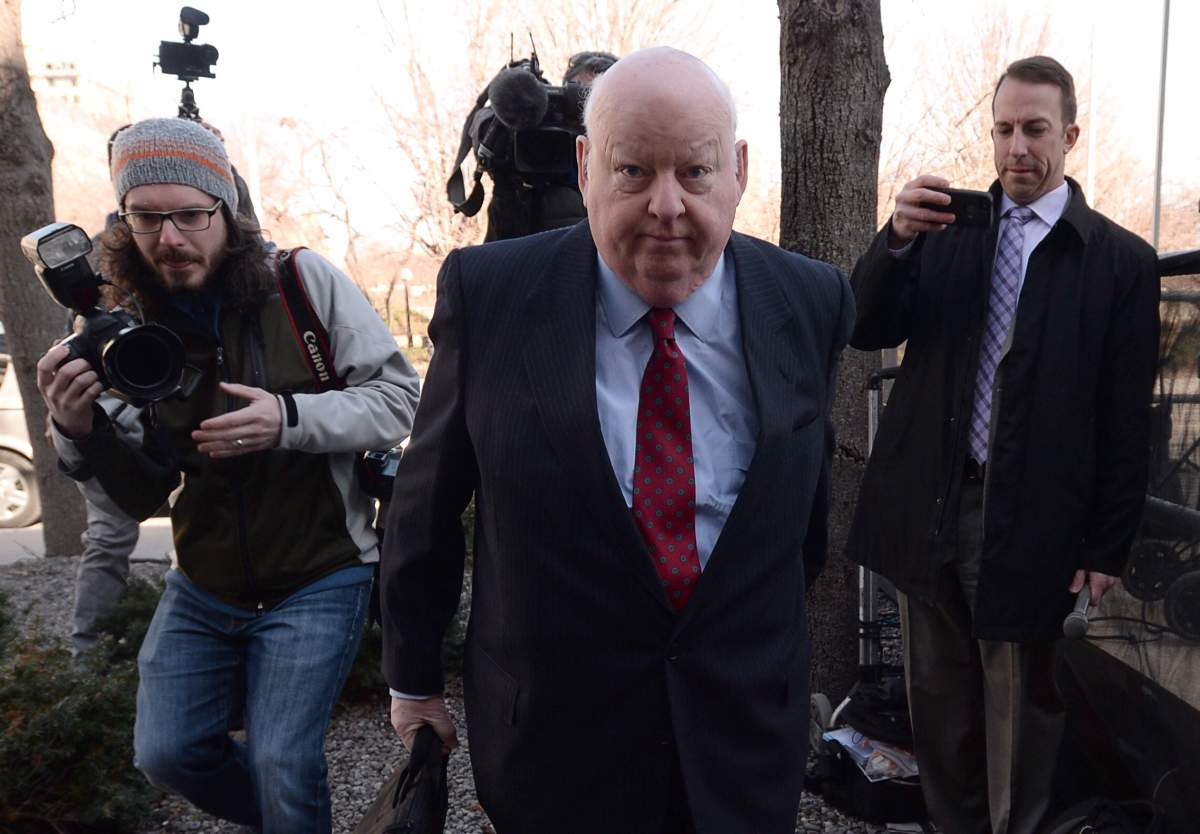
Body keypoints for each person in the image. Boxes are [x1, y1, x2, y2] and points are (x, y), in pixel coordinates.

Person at [382, 47, 854, 834]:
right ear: (584, 166)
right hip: (554, 753)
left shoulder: (812, 301)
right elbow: (426, 505)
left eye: (695, 174)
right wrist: (413, 680)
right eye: (633, 171)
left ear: (737, 170)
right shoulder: (491, 294)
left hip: (740, 751)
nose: (666, 207)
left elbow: (797, 522)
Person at [35, 117, 421, 834]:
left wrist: (289, 419)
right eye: (147, 218)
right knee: (168, 753)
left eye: (190, 214)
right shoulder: (120, 322)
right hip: (205, 583)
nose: (171, 238)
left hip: (321, 573)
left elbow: (402, 399)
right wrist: (76, 429)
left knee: (281, 761)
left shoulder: (301, 283)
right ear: (124, 221)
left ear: (226, 210)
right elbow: (142, 491)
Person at [846, 55, 1159, 834]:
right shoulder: (948, 234)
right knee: (941, 709)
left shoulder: (1119, 262)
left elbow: (1128, 418)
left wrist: (1107, 545)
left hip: (1037, 515)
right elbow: (864, 325)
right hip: (931, 504)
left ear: (1071, 135)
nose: (1017, 147)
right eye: (1004, 129)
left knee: (1023, 713)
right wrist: (894, 241)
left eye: (1036, 130)